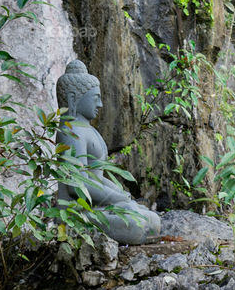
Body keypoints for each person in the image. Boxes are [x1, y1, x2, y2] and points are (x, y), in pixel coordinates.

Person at [55, 60, 160, 244]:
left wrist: (120, 195)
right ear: (73, 98)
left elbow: (95, 176)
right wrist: (115, 199)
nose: (101, 104)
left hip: (97, 206)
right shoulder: (70, 132)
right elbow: (76, 185)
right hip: (76, 214)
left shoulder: (87, 130)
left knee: (152, 220)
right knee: (138, 225)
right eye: (96, 98)